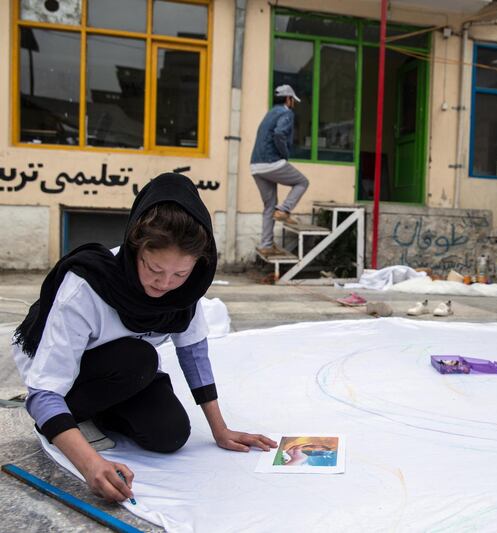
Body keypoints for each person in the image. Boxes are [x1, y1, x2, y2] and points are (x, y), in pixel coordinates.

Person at [12, 173, 276, 503]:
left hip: (121, 374)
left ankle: (101, 412)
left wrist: (220, 431)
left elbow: (193, 352)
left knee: (171, 434)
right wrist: (91, 466)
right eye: (153, 268)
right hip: (68, 374)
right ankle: (69, 420)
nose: (165, 284)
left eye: (180, 273)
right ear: (136, 249)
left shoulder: (186, 290)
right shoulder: (87, 286)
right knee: (140, 358)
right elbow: (44, 390)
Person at [250, 84, 310, 257]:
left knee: (269, 206)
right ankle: (284, 210)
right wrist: (284, 154)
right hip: (271, 162)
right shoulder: (286, 113)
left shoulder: (269, 113)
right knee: (302, 182)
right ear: (288, 99)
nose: (293, 104)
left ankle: (266, 245)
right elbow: (279, 134)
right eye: (293, 100)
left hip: (255, 165)